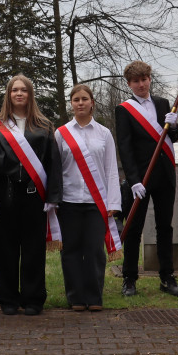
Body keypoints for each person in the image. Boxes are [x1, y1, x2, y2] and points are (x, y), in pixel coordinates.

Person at [0, 75, 62, 316]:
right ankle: (7, 298)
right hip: (4, 195)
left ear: (30, 94)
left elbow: (53, 164)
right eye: (14, 90)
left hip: (34, 195)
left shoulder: (44, 126)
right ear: (8, 94)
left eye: (23, 90)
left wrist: (52, 196)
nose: (18, 94)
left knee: (33, 250)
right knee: (5, 250)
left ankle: (33, 298)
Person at [116, 60, 178, 297]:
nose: (142, 84)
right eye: (136, 81)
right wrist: (133, 180)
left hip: (165, 174)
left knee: (165, 226)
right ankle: (129, 278)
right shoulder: (124, 109)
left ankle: (167, 276)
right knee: (134, 228)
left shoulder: (162, 103)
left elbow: (171, 139)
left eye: (144, 79)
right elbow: (125, 147)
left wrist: (174, 127)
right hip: (141, 178)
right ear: (129, 84)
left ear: (149, 79)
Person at [55, 84, 122, 311]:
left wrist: (113, 203)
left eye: (84, 99)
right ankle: (75, 297)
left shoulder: (104, 133)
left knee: (94, 251)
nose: (80, 103)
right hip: (69, 201)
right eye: (76, 99)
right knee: (71, 251)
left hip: (96, 203)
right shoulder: (61, 133)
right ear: (71, 104)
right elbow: (55, 170)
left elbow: (111, 169)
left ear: (92, 102)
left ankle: (94, 298)